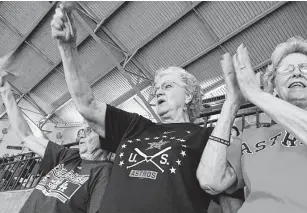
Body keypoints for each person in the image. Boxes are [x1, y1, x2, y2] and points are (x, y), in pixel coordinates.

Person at [50, 5, 244, 213]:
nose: (159, 92)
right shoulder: (135, 126)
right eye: (157, 89)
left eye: (168, 86)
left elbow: (230, 203)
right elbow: (86, 105)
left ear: (188, 96)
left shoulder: (209, 136)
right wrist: (68, 48)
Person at [197, 37, 307, 213]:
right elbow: (211, 180)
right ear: (274, 87)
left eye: (305, 67)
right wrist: (231, 102)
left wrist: (257, 95)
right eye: (286, 69)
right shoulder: (249, 135)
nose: (297, 73)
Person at [0, 74, 113, 213]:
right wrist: (6, 93)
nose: (82, 135)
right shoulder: (70, 156)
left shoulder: (105, 171)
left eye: (89, 131)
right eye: (83, 130)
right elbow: (27, 136)